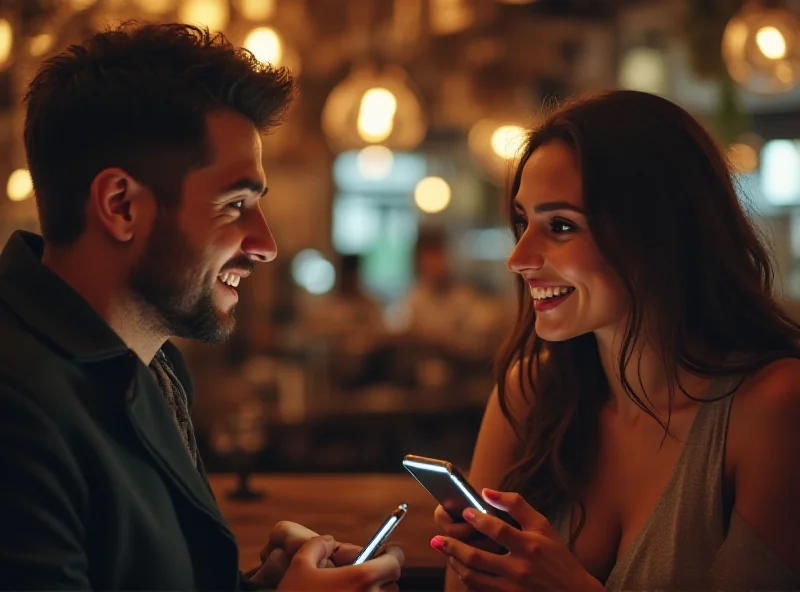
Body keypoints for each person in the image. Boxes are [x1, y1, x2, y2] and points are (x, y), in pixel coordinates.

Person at [0, 22, 402, 591]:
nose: (266, 245)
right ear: (120, 205)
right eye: (235, 204)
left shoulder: (153, 368)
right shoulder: (16, 404)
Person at [432, 90, 800, 591]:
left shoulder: (773, 406)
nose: (518, 258)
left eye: (560, 226)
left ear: (658, 235)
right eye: (523, 222)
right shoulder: (529, 393)